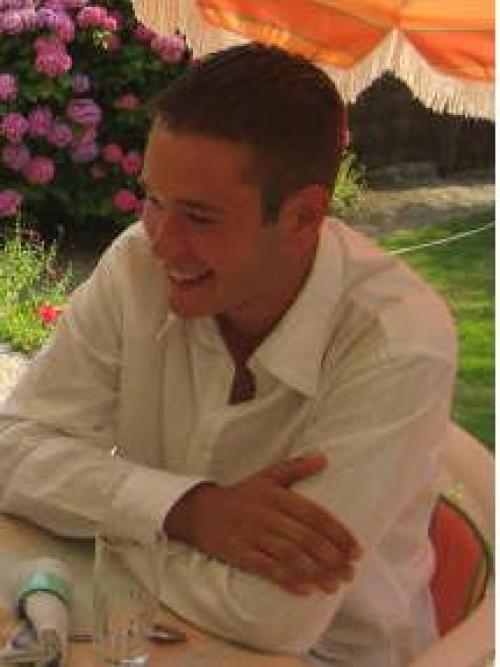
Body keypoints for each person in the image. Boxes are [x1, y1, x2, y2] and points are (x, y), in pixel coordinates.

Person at [0, 43, 457, 667]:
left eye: (199, 217)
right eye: (153, 199)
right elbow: (13, 448)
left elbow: (272, 616)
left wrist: (112, 526)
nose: (161, 242)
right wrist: (188, 510)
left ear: (303, 216)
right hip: (150, 637)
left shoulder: (397, 343)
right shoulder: (137, 264)